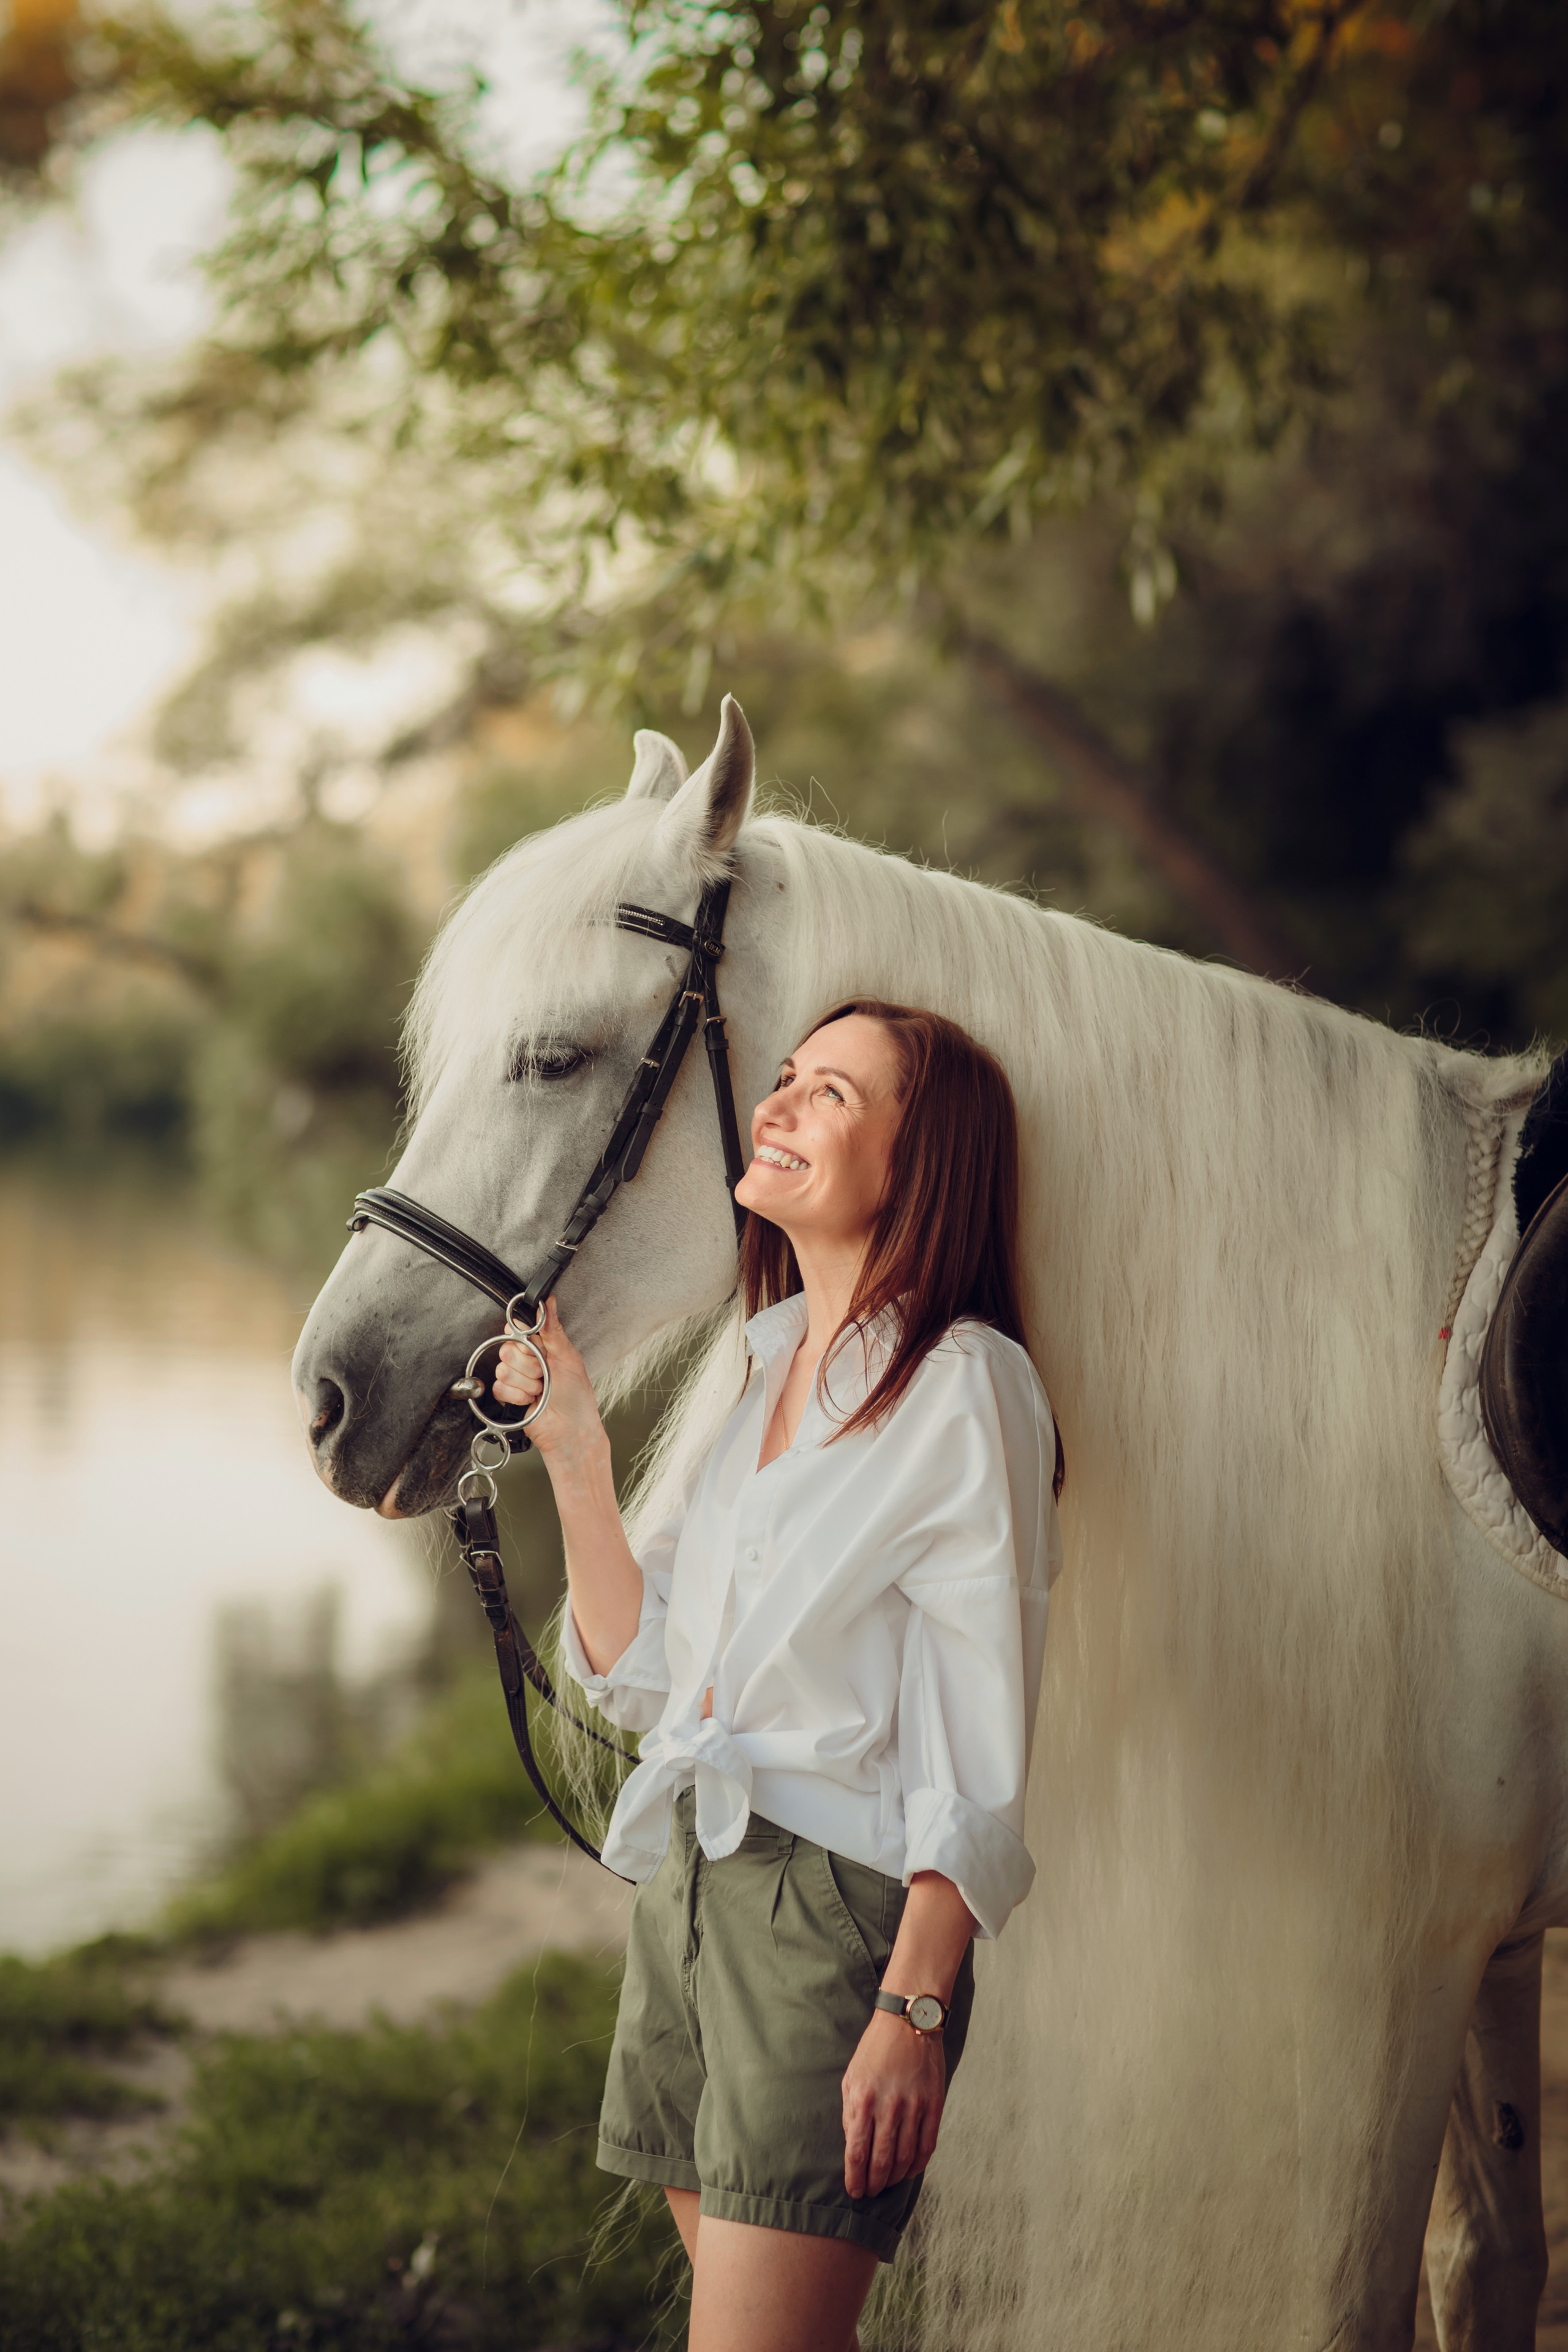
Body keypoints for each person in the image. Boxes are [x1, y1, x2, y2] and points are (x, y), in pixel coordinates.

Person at [492, 999, 1061, 2352]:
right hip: (695, 1893)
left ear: (919, 1167)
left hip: (830, 1924)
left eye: (834, 1095)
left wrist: (911, 2006)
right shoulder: (760, 1375)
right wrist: (575, 1450)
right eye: (787, 1078)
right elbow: (642, 1670)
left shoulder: (964, 1388)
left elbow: (978, 1734)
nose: (779, 1103)